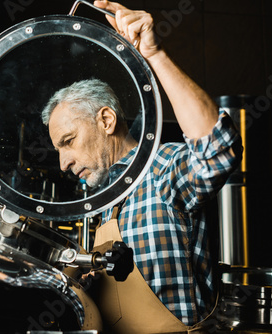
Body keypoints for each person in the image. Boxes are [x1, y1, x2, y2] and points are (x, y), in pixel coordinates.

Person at [41, 1, 242, 333]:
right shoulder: (100, 204)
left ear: (106, 120)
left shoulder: (161, 170)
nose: (63, 163)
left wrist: (155, 55)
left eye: (69, 140)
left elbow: (217, 150)